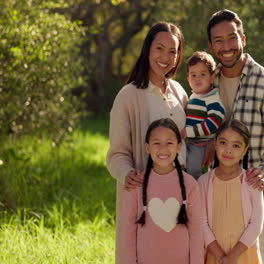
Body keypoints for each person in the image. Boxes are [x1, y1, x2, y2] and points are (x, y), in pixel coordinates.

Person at [205, 9, 264, 264]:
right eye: (218, 41)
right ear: (210, 46)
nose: (226, 46)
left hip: (255, 190)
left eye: (232, 38)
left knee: (261, 259)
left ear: (243, 39)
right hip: (216, 190)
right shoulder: (207, 83)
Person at [106, 22, 188, 263]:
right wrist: (126, 172)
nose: (166, 57)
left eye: (172, 51)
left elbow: (190, 139)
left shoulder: (179, 92)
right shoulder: (129, 96)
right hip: (145, 192)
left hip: (181, 191)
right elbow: (117, 152)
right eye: (159, 48)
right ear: (147, 50)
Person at [118, 118, 204, 264]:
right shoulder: (136, 184)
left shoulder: (190, 185)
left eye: (169, 143)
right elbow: (127, 233)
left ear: (178, 147)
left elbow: (196, 232)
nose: (163, 149)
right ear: (147, 148)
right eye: (156, 143)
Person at [199, 119, 264, 264]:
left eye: (236, 145)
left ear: (245, 150)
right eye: (223, 143)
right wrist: (221, 257)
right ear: (215, 144)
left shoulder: (252, 181)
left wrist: (232, 257)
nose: (228, 150)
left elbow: (256, 224)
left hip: (244, 255)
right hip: (214, 256)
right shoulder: (203, 182)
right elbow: (201, 223)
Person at [183, 51, 225, 179]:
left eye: (203, 74)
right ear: (188, 78)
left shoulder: (213, 99)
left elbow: (213, 123)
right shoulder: (194, 97)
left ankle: (195, 189)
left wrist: (188, 132)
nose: (197, 78)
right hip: (189, 141)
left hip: (202, 144)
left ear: (212, 77)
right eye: (193, 75)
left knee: (193, 170)